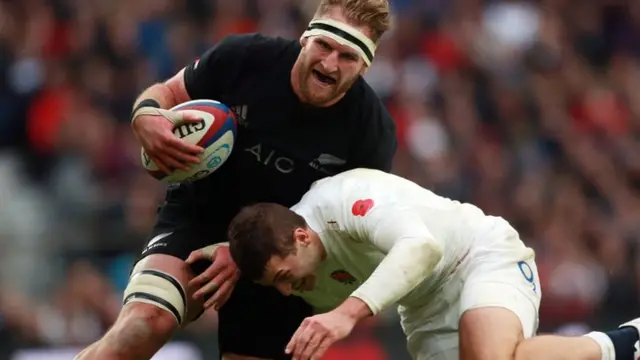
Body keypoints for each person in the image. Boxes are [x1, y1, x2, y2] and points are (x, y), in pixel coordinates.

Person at [74, 0, 397, 359]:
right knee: (143, 324)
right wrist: (146, 115)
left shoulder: (371, 132)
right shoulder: (246, 58)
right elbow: (166, 93)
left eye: (348, 56)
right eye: (324, 45)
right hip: (200, 221)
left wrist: (244, 256)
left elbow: (346, 231)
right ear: (307, 38)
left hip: (282, 263)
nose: (329, 63)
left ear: (365, 66)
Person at [225, 168, 640, 360]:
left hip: (477, 257)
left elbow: (422, 247)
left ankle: (625, 343)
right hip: (423, 309)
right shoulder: (292, 257)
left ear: (302, 236)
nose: (286, 291)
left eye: (283, 276)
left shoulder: (346, 199)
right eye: (274, 284)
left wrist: (345, 315)